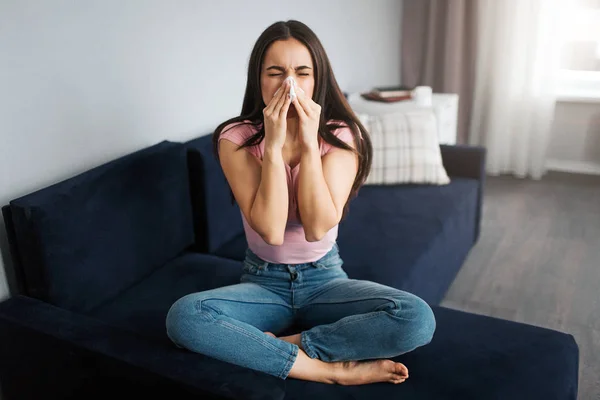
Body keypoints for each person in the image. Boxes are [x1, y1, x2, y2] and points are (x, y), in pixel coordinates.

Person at [166, 19, 436, 386]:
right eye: (275, 73)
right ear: (258, 80)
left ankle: (285, 348)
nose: (289, 84)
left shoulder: (341, 135)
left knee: (416, 318)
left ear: (316, 80)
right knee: (185, 317)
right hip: (263, 283)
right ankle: (326, 371)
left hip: (325, 278)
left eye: (302, 73)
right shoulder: (236, 138)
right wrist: (273, 146)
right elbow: (272, 230)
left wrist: (310, 143)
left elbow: (317, 225)